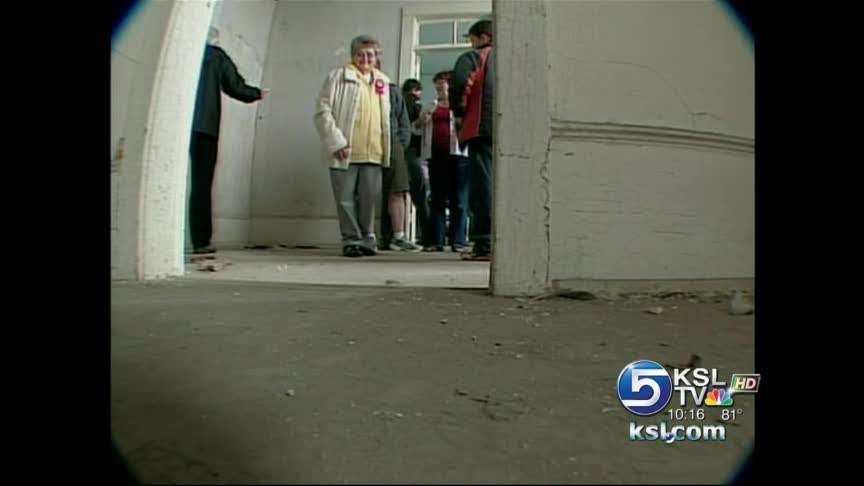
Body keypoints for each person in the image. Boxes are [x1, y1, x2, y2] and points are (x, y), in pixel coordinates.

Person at [314, 35, 391, 257]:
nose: (366, 58)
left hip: (374, 151)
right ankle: (351, 240)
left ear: (376, 57)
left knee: (369, 199)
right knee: (345, 199)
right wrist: (336, 141)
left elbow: (386, 117)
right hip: (345, 150)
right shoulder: (337, 77)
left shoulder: (383, 81)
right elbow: (322, 112)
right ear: (353, 55)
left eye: (371, 54)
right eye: (361, 54)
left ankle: (367, 238)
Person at [189, 27, 264, 255]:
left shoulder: (181, 53)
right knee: (201, 184)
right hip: (205, 127)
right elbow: (235, 86)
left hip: (178, 126)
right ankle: (201, 242)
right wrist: (257, 93)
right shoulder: (214, 55)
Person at [450, 20, 495, 261]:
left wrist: (459, 114)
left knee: (483, 186)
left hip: (482, 127)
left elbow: (460, 84)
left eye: (471, 38)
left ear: (481, 37)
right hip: (511, 130)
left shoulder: (474, 56)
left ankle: (484, 243)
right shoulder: (514, 56)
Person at [413, 70, 470, 252]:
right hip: (435, 156)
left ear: (450, 86)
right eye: (436, 86)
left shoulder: (461, 106)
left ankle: (458, 241)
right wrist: (421, 122)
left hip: (458, 155)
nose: (439, 89)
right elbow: (417, 129)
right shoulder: (430, 106)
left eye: (442, 85)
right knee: (437, 198)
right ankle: (436, 241)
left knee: (458, 199)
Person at [377, 53, 422, 252]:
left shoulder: (392, 90)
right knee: (368, 192)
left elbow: (403, 121)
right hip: (366, 143)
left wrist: (399, 145)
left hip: (393, 142)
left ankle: (398, 236)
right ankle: (372, 235)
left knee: (399, 189)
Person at [401, 79, 433, 248]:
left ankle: (390, 234)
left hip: (398, 152)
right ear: (416, 91)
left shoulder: (397, 102)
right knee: (421, 197)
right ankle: (427, 236)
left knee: (395, 195)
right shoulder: (414, 105)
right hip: (413, 153)